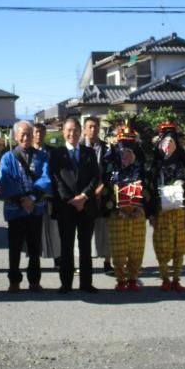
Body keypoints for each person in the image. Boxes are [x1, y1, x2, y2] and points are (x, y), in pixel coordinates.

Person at [100, 121, 155, 292]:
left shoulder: (142, 169)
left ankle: (133, 277)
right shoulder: (111, 169)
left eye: (129, 152)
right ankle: (120, 278)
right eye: (123, 152)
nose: (126, 156)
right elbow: (106, 190)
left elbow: (148, 190)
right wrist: (116, 209)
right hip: (118, 215)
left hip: (137, 213)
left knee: (136, 247)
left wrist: (141, 208)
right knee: (118, 248)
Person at [0, 121, 51, 292]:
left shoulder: (42, 156)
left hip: (35, 208)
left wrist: (32, 198)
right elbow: (4, 182)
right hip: (16, 210)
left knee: (35, 248)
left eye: (29, 133)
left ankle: (34, 281)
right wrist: (23, 200)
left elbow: (47, 178)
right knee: (14, 248)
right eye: (22, 134)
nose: (26, 137)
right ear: (15, 136)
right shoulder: (8, 157)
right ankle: (14, 281)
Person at [49, 117, 100, 294]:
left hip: (86, 205)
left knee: (85, 245)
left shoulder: (89, 152)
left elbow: (96, 177)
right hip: (66, 207)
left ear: (81, 132)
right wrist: (71, 199)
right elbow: (56, 179)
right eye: (68, 130)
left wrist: (84, 196)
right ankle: (66, 283)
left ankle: (86, 283)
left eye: (75, 130)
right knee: (67, 246)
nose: (72, 133)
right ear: (63, 132)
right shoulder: (56, 153)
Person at [150, 121, 185, 292]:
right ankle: (165, 278)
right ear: (160, 144)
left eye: (171, 143)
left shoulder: (183, 164)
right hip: (162, 211)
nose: (168, 146)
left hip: (180, 211)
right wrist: (151, 213)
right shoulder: (155, 165)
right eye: (165, 143)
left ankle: (176, 278)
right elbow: (149, 188)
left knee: (179, 246)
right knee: (162, 245)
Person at [82, 116, 112, 273]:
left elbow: (112, 171)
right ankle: (83, 263)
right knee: (84, 231)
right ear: (84, 129)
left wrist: (103, 186)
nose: (93, 129)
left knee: (106, 229)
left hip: (104, 194)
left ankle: (108, 262)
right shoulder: (79, 147)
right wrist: (87, 191)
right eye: (90, 126)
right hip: (84, 195)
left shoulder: (107, 148)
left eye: (96, 126)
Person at [33, 123, 61, 268]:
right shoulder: (28, 152)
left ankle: (58, 259)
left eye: (42, 132)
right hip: (33, 197)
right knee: (34, 232)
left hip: (50, 198)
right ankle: (34, 261)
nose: (39, 135)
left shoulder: (53, 152)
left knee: (53, 230)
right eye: (36, 132)